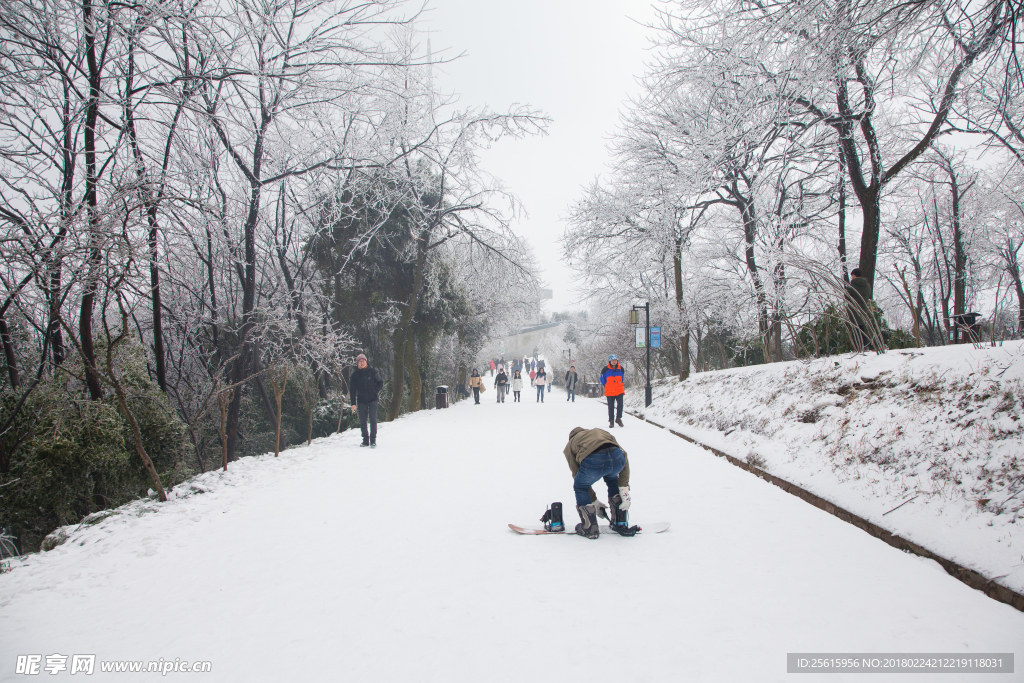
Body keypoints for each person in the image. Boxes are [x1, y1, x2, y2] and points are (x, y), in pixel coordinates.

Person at [562, 427, 635, 538]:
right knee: (612, 479)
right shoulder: (601, 432)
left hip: (593, 460)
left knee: (580, 486)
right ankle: (620, 521)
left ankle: (589, 527)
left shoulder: (570, 444)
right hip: (616, 458)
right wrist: (624, 489)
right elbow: (623, 454)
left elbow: (577, 475)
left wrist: (594, 501)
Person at [349, 353, 384, 448]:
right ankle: (365, 440)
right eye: (360, 362)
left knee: (373, 420)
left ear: (366, 362)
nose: (362, 363)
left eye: (363, 361)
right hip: (361, 400)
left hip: (373, 399)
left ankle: (373, 440)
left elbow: (380, 382)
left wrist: (374, 391)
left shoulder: (373, 372)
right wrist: (353, 403)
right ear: (357, 363)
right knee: (363, 421)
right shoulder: (355, 375)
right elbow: (352, 390)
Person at [845, 268, 874, 351]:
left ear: (854, 275)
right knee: (862, 328)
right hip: (863, 309)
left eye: (852, 276)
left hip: (854, 310)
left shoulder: (852, 286)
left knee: (855, 329)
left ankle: (858, 347)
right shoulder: (867, 285)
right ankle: (865, 346)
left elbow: (846, 297)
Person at [601, 354, 625, 428]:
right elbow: (602, 380)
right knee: (611, 406)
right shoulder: (605, 370)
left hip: (619, 390)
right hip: (610, 391)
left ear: (617, 361)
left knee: (620, 405)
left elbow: (622, 378)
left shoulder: (621, 369)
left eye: (615, 360)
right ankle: (611, 421)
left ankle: (618, 418)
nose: (614, 362)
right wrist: (607, 385)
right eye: (612, 360)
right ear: (610, 361)